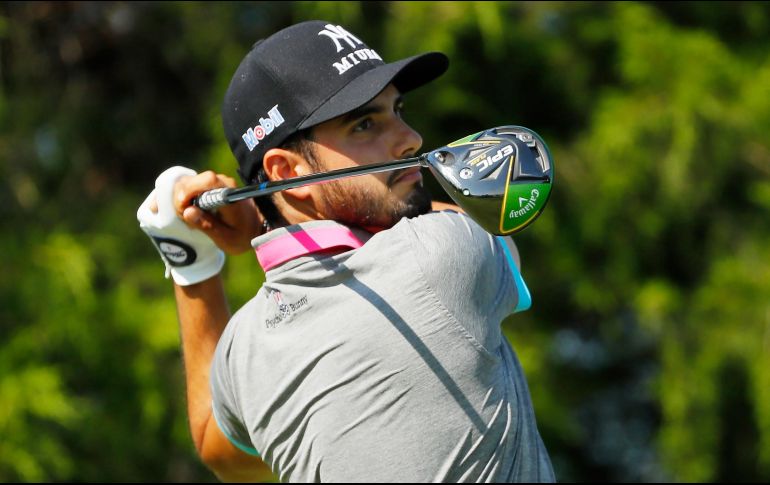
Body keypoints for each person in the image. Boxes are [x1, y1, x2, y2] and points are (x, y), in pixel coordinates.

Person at [138, 20, 555, 483]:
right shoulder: (444, 252)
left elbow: (216, 446)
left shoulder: (244, 351)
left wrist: (191, 263)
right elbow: (493, 226)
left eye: (398, 110)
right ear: (285, 171)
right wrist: (256, 221)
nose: (411, 138)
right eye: (365, 124)